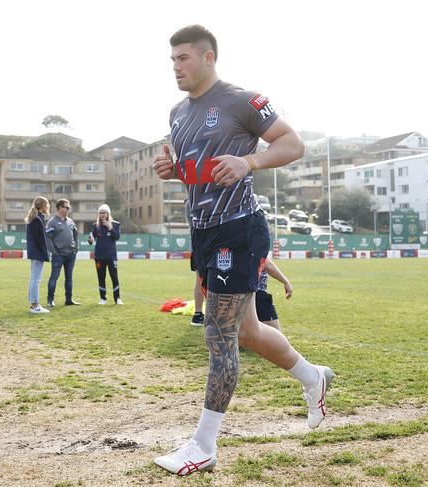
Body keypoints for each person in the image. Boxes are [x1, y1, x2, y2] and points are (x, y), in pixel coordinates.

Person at [152, 25, 334, 475]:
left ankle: (203, 445)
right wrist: (174, 172)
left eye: (184, 58)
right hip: (205, 232)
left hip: (239, 228)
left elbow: (292, 143)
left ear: (209, 57)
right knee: (249, 332)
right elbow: (206, 171)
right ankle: (315, 378)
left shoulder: (242, 100)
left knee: (218, 334)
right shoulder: (177, 113)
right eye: (172, 59)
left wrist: (250, 161)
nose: (176, 66)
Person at [45, 199, 80, 307]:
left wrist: (76, 248)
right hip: (58, 255)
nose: (68, 209)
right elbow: (48, 238)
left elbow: (75, 234)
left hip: (71, 255)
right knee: (54, 277)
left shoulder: (70, 221)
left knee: (69, 277)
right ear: (60, 207)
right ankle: (50, 300)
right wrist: (54, 252)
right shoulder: (52, 222)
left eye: (69, 207)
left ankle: (68, 300)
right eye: (67, 207)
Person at [87, 204, 123, 305]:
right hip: (99, 257)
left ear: (108, 214)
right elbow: (91, 240)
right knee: (101, 277)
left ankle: (117, 298)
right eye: (100, 213)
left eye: (104, 212)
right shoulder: (96, 225)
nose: (102, 215)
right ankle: (103, 298)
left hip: (111, 256)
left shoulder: (116, 224)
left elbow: (117, 237)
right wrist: (90, 240)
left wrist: (110, 227)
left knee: (114, 277)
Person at [25, 196, 51, 314]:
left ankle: (33, 304)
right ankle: (35, 305)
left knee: (34, 279)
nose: (48, 206)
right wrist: (45, 254)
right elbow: (40, 240)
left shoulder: (37, 218)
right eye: (47, 204)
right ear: (43, 206)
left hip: (35, 252)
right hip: (37, 253)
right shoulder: (37, 220)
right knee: (36, 279)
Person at [256, 258, 293, 331]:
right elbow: (266, 262)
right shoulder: (255, 246)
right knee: (276, 336)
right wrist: (285, 282)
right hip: (257, 294)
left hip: (237, 293)